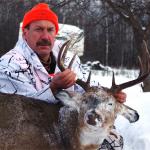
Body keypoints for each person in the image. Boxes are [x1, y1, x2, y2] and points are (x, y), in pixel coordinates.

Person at [0, 3, 126, 149]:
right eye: (38, 29)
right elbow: (20, 109)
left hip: (68, 124)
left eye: (50, 30)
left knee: (112, 141)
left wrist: (109, 95)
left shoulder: (67, 58)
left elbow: (89, 88)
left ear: (55, 33)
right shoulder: (9, 64)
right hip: (27, 130)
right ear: (25, 33)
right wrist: (53, 88)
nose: (45, 36)